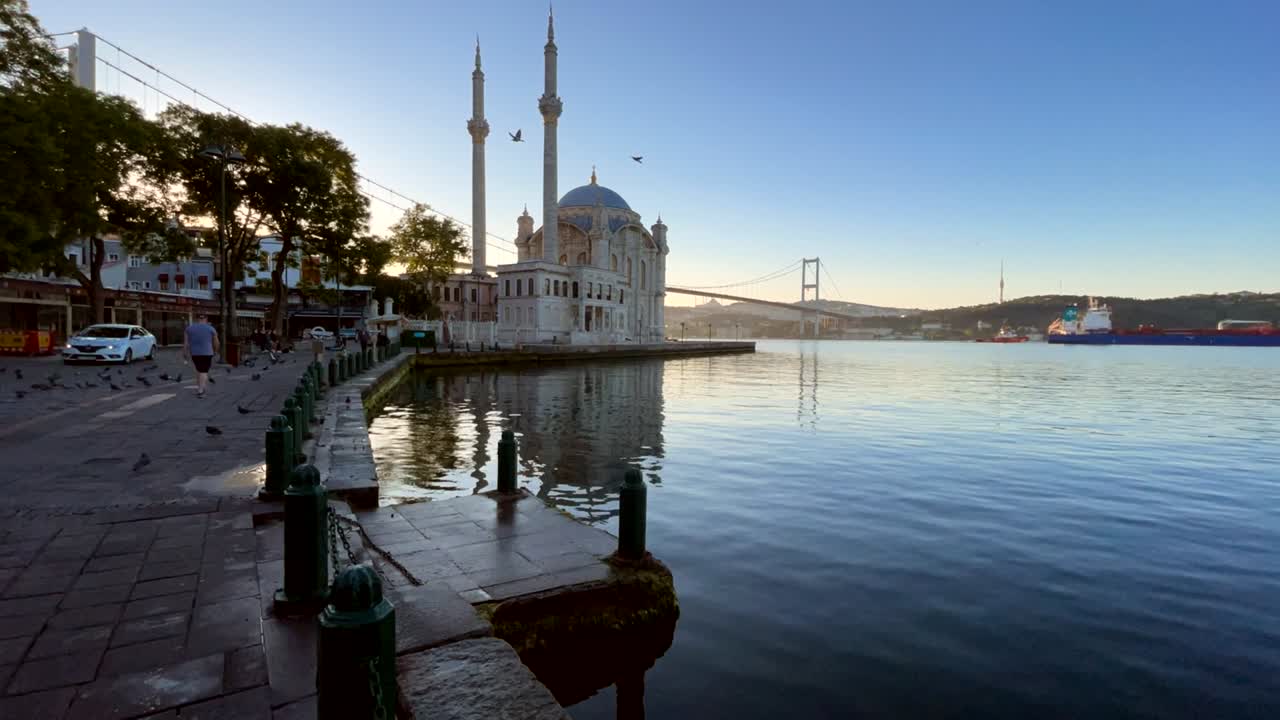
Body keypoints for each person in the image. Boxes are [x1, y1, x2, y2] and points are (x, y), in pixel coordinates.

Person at [184, 313, 220, 399]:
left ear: (197, 319)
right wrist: (216, 351)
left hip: (195, 353)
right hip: (207, 353)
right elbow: (216, 342)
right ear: (206, 319)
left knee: (199, 370)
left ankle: (200, 386)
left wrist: (185, 353)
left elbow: (186, 343)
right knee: (204, 371)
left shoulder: (189, 329)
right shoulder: (211, 329)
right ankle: (201, 391)